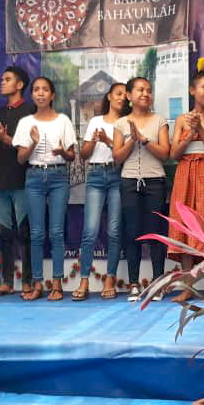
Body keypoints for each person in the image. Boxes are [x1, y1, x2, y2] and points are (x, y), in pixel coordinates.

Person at [14, 77, 77, 301]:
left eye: (45, 90)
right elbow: (21, 159)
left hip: (58, 177)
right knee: (37, 234)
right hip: (34, 177)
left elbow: (71, 155)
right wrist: (33, 142)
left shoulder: (63, 121)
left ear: (52, 95)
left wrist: (61, 152)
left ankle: (57, 284)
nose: (40, 93)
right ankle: (38, 283)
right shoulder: (25, 122)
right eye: (37, 90)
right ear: (32, 95)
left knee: (57, 233)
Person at [167, 71, 204, 303]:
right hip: (186, 173)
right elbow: (174, 154)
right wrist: (190, 132)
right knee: (185, 228)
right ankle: (188, 288)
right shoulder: (182, 119)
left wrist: (201, 129)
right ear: (193, 91)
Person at [113, 77, 171, 302]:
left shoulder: (159, 121)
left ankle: (158, 283)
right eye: (139, 90)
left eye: (148, 90)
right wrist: (132, 140)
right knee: (132, 233)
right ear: (129, 96)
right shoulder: (121, 123)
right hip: (129, 182)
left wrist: (144, 140)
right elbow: (117, 158)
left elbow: (165, 153)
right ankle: (134, 284)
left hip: (155, 181)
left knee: (156, 233)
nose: (145, 94)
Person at [0, 66, 36, 297]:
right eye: (1, 79)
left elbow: (27, 146)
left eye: (7, 79)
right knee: (4, 233)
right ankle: (6, 281)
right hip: (0, 178)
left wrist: (4, 137)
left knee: (24, 232)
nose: (2, 82)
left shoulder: (31, 111)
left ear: (20, 85)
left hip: (23, 178)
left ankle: (27, 281)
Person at [76, 82, 125, 300]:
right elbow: (84, 154)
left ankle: (110, 277)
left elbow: (124, 154)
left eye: (125, 94)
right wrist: (95, 141)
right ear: (109, 96)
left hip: (117, 175)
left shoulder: (127, 122)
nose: (122, 97)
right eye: (118, 93)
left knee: (114, 231)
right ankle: (84, 279)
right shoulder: (96, 120)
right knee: (90, 231)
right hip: (95, 175)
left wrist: (109, 141)